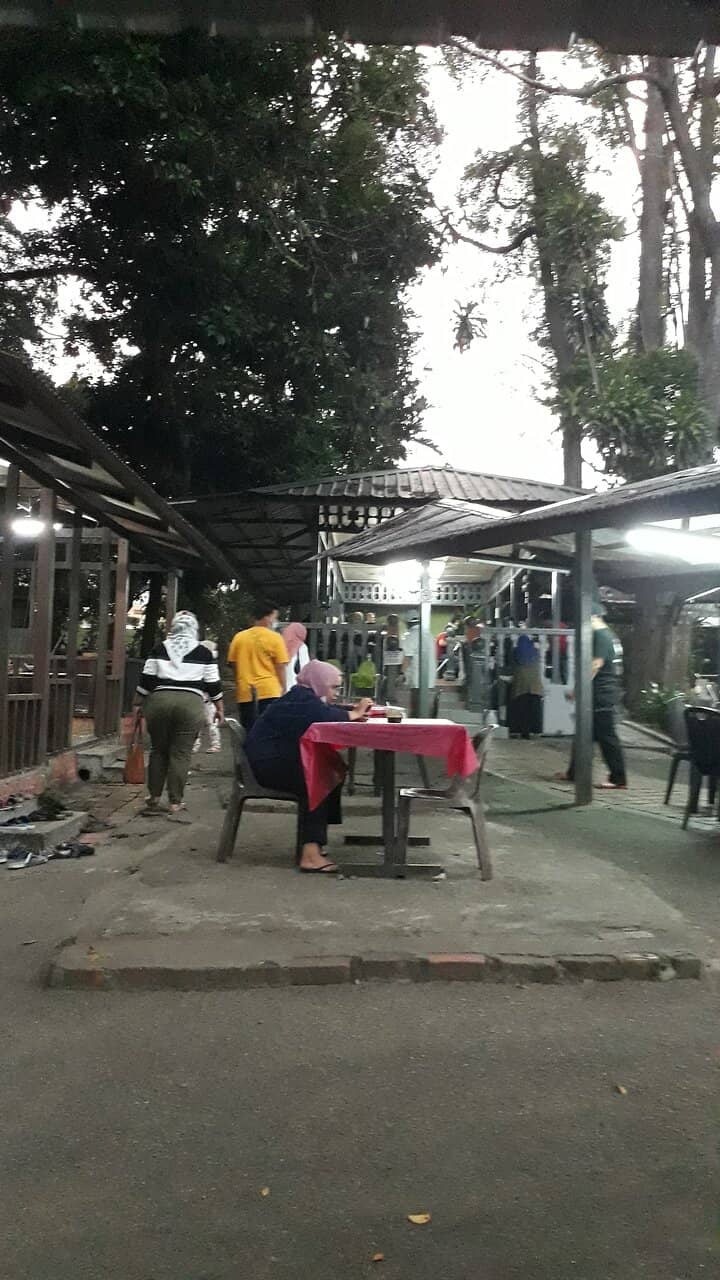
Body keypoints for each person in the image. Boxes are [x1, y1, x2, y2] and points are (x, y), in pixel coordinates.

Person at [245, 660, 373, 873]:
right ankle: (311, 853)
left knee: (329, 769)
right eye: (333, 687)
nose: (336, 693)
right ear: (319, 683)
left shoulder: (301, 697)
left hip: (269, 761)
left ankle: (315, 843)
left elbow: (326, 711)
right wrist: (356, 711)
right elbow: (324, 716)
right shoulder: (301, 700)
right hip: (265, 767)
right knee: (319, 779)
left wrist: (350, 711)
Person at [137, 611, 224, 816]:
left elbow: (146, 681)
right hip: (190, 704)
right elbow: (213, 684)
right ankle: (175, 802)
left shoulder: (159, 648)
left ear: (173, 627)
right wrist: (219, 707)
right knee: (181, 753)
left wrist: (137, 704)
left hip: (159, 702)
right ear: (194, 629)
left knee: (159, 750)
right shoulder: (204, 652)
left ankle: (154, 797)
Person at [563, 602, 627, 790]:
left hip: (601, 693)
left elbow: (595, 664)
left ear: (591, 617)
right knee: (584, 734)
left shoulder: (600, 636)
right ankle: (574, 772)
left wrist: (579, 688)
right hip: (603, 691)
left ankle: (618, 778)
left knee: (606, 737)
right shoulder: (610, 635)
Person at [227, 603, 288, 730]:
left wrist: (240, 681)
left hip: (245, 692)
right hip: (269, 691)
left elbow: (234, 664)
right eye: (274, 617)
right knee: (268, 730)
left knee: (249, 729)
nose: (274, 621)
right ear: (266, 617)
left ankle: (248, 749)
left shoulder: (239, 638)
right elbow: (280, 667)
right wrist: (284, 688)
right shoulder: (275, 638)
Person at [507, 633, 544, 738]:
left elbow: (511, 666)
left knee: (522, 711)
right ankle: (534, 731)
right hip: (535, 686)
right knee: (533, 710)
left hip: (520, 686)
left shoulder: (515, 652)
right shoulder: (535, 651)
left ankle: (523, 731)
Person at [402, 616, 437, 716]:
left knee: (416, 709)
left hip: (418, 678)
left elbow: (407, 657)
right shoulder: (428, 634)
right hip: (430, 677)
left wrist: (401, 673)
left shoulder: (411, 635)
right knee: (425, 708)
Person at [193, 639, 222, 754]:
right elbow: (215, 683)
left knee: (198, 723)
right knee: (211, 722)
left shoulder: (201, 661)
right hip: (209, 697)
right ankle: (215, 744)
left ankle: (196, 745)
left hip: (203, 696)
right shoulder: (212, 662)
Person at [282, 622, 310, 691]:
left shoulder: (279, 644)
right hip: (295, 689)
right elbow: (305, 670)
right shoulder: (302, 647)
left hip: (280, 690)